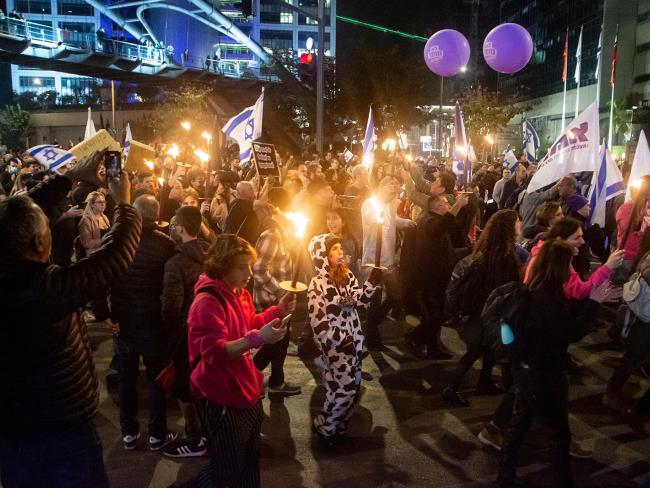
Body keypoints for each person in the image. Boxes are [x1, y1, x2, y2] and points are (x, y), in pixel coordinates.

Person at [0, 156, 140, 488]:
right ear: (39, 243)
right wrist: (125, 204)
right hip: (61, 432)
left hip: (10, 429)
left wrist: (68, 178)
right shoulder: (47, 289)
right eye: (47, 227)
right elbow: (114, 257)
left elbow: (12, 220)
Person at [497, 241, 619, 488]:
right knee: (559, 433)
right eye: (569, 265)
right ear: (559, 267)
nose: (571, 269)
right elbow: (570, 332)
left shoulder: (534, 288)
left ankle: (505, 477)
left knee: (520, 423)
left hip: (525, 368)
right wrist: (594, 301)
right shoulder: (547, 300)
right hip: (542, 373)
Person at [186, 234, 295, 487]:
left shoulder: (240, 293)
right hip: (221, 392)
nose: (249, 272)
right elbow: (214, 353)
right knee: (225, 468)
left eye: (249, 264)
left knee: (247, 461)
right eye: (241, 266)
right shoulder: (207, 302)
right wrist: (258, 339)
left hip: (245, 388)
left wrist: (277, 311)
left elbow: (250, 324)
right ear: (223, 265)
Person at [110, 195, 177, 452]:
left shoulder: (118, 243)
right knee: (156, 378)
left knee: (126, 378)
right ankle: (157, 435)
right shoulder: (166, 245)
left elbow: (103, 279)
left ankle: (129, 431)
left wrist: (107, 315)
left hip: (124, 322)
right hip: (152, 323)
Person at [442, 210, 523, 407]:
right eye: (517, 222)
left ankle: (484, 382)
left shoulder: (488, 252)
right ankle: (450, 389)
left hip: (482, 312)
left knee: (488, 351)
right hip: (490, 315)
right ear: (508, 228)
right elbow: (503, 289)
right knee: (475, 353)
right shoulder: (504, 257)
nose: (520, 225)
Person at [307, 233, 381, 448]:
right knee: (346, 387)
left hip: (355, 342)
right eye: (334, 249)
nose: (340, 252)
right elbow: (318, 323)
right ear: (323, 256)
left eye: (340, 248)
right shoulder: (317, 284)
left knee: (348, 387)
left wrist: (372, 283)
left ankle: (338, 426)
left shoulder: (346, 276)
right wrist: (339, 340)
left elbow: (360, 300)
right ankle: (327, 430)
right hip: (336, 346)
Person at [160, 206, 210, 458]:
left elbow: (171, 307)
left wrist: (168, 337)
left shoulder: (175, 262)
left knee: (184, 386)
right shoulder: (212, 255)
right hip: (212, 330)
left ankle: (194, 439)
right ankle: (210, 431)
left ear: (180, 228)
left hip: (186, 333)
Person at [405, 193, 469, 359]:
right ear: (438, 207)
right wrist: (459, 204)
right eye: (446, 203)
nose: (448, 205)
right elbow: (441, 226)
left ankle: (433, 346)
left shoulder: (433, 220)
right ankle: (415, 337)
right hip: (430, 278)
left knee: (437, 313)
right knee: (436, 314)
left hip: (439, 276)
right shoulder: (429, 221)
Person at [252, 188, 301, 396]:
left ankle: (276, 383)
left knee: (282, 342)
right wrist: (280, 291)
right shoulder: (271, 234)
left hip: (282, 299)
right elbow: (258, 269)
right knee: (273, 344)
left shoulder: (284, 232)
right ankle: (248, 378)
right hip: (270, 301)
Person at [362, 176, 415, 348]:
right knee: (374, 300)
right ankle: (371, 335)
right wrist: (380, 216)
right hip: (373, 261)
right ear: (382, 187)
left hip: (389, 261)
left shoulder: (391, 205)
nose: (394, 189)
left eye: (396, 186)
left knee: (395, 296)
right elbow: (372, 219)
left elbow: (393, 221)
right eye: (391, 186)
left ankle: (372, 324)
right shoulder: (370, 204)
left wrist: (405, 222)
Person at [524, 217, 624, 299]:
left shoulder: (545, 252)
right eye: (576, 238)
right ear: (560, 240)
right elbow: (580, 291)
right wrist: (608, 266)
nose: (583, 242)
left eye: (581, 236)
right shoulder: (555, 261)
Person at [78, 191, 110, 257]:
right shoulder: (86, 220)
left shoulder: (105, 218)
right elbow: (86, 243)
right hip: (94, 256)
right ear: (92, 204)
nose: (103, 204)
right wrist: (104, 240)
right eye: (100, 202)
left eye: (104, 202)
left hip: (106, 252)